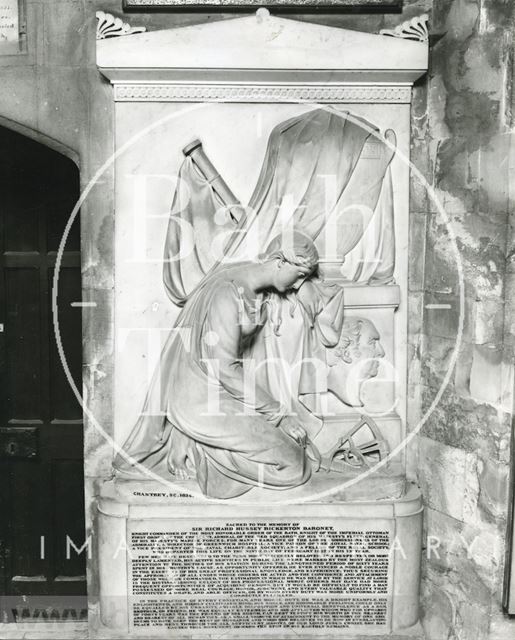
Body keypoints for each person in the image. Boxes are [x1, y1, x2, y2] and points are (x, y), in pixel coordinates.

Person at [115, 231, 322, 499]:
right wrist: (280, 415)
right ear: (280, 261)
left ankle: (199, 441)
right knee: (295, 466)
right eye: (301, 274)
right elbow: (224, 368)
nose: (299, 284)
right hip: (201, 401)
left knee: (307, 453)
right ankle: (202, 448)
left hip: (220, 395)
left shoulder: (249, 286)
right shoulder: (228, 292)